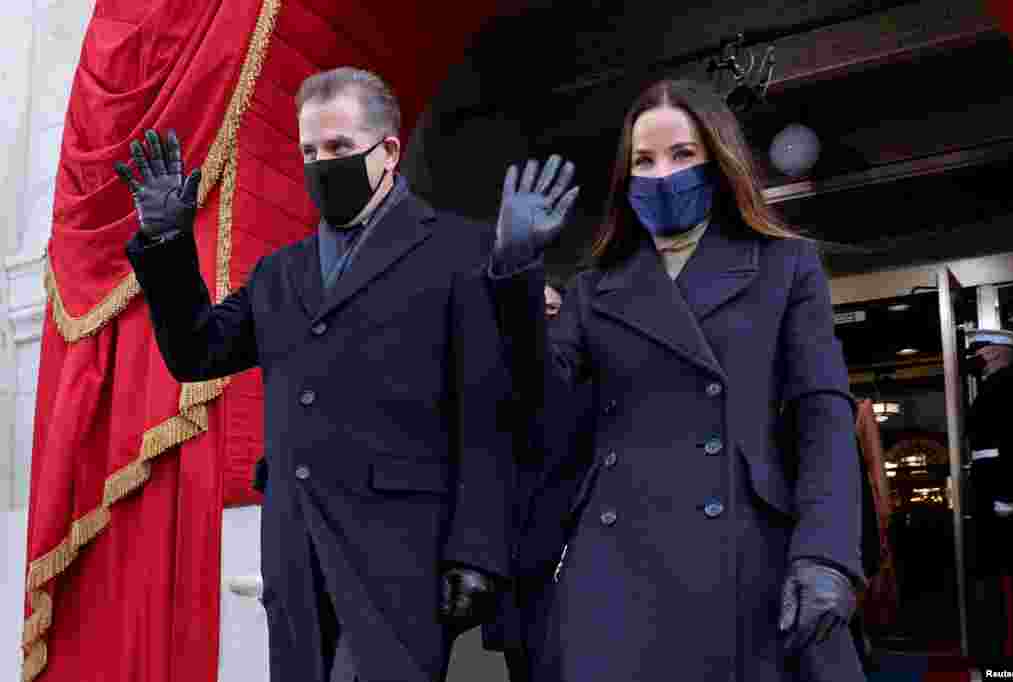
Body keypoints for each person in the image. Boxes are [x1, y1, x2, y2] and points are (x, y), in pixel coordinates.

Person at [115, 67, 515, 682]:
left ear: (388, 151)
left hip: (401, 554)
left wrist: (479, 551)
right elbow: (199, 352)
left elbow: (486, 413)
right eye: (309, 150)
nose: (321, 163)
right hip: (296, 554)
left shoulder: (460, 251)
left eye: (339, 149)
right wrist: (167, 241)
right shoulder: (282, 272)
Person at [487, 77, 865, 681]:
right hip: (614, 570)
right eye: (645, 160)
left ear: (719, 161)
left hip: (749, 560)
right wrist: (515, 273)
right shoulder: (593, 289)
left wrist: (827, 552)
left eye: (682, 154)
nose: (662, 174)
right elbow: (537, 412)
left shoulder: (785, 266)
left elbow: (821, 413)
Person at [483, 278, 596, 682]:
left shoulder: (592, 382)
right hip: (515, 557)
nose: (541, 319)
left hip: (572, 547)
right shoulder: (493, 386)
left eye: (551, 311)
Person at [964, 328, 1013, 662]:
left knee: (1009, 587)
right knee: (996, 583)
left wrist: (1010, 496)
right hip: (990, 492)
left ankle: (1009, 668)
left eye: (981, 350)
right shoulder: (991, 387)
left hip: (1003, 498)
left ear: (999, 352)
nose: (977, 357)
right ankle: (1000, 664)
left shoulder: (1012, 389)